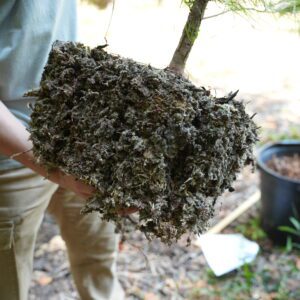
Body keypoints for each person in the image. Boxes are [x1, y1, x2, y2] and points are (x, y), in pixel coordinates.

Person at [0, 1, 125, 299]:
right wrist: (56, 168)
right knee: (9, 287)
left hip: (76, 132)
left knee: (99, 265)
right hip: (10, 159)